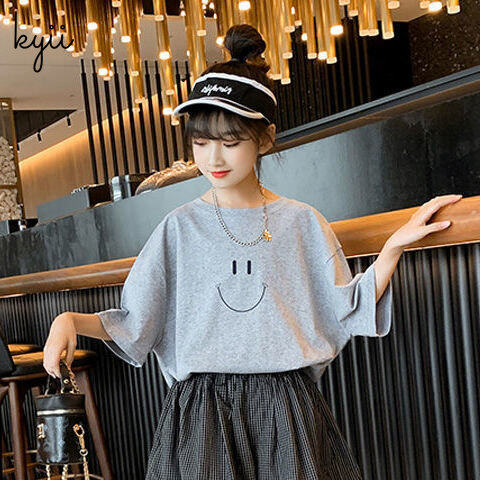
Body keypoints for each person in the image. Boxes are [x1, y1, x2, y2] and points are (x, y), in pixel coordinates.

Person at [43, 24, 463, 480]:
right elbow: (135, 321)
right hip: (202, 415)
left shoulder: (301, 221)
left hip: (287, 408)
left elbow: (345, 306)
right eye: (201, 142)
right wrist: (69, 320)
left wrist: (392, 248)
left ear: (264, 138)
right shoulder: (178, 228)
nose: (213, 159)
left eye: (230, 142)